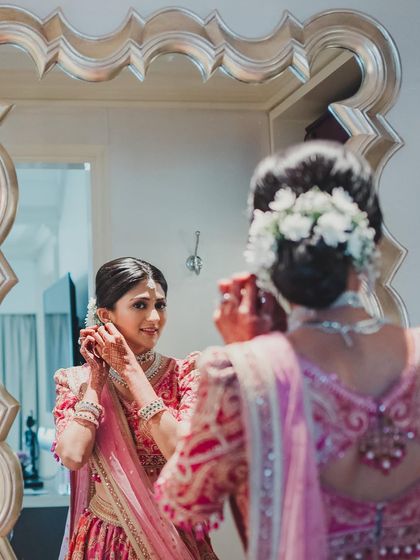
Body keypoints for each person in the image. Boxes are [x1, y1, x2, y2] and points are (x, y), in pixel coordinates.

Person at [155, 141, 420, 559]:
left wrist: (251, 361)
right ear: (370, 236)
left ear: (267, 251)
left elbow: (182, 503)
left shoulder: (237, 374)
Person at [52, 257, 217, 559]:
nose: (155, 317)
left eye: (161, 305)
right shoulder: (75, 381)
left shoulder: (187, 374)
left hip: (173, 534)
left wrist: (129, 370)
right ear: (106, 315)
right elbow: (73, 456)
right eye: (140, 305)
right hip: (107, 536)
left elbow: (183, 453)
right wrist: (95, 383)